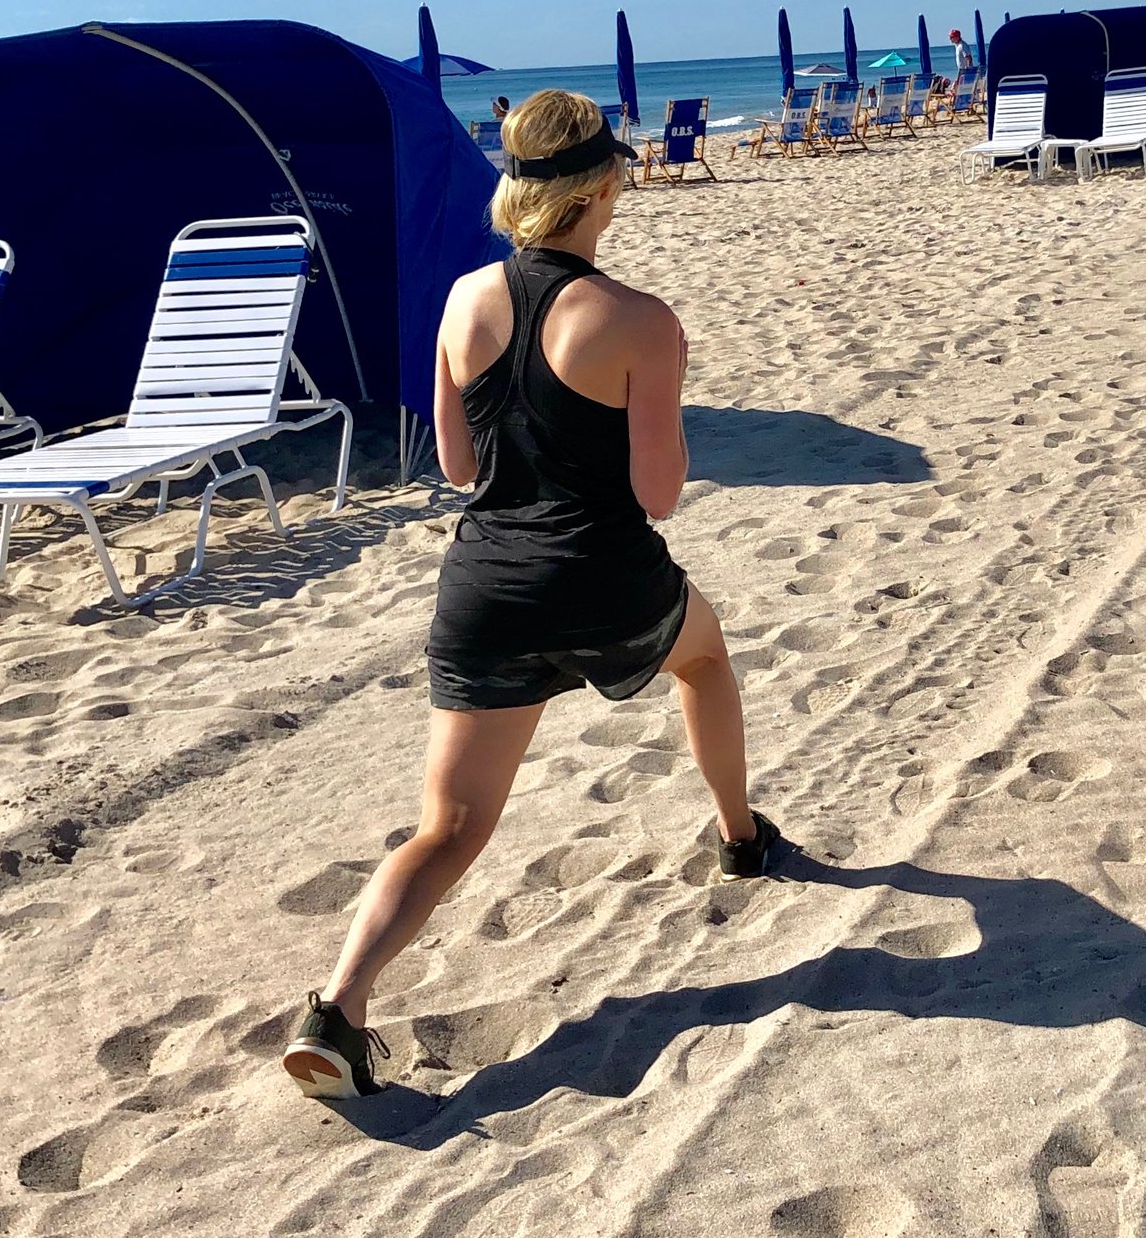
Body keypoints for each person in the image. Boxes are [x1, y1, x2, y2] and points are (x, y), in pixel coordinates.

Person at [284, 90, 778, 1098]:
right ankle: (738, 835)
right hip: (603, 574)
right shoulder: (639, 318)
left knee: (449, 829)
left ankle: (336, 1005)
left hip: (489, 589)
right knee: (706, 656)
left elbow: (460, 465)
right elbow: (658, 494)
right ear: (606, 183)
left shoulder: (463, 300)